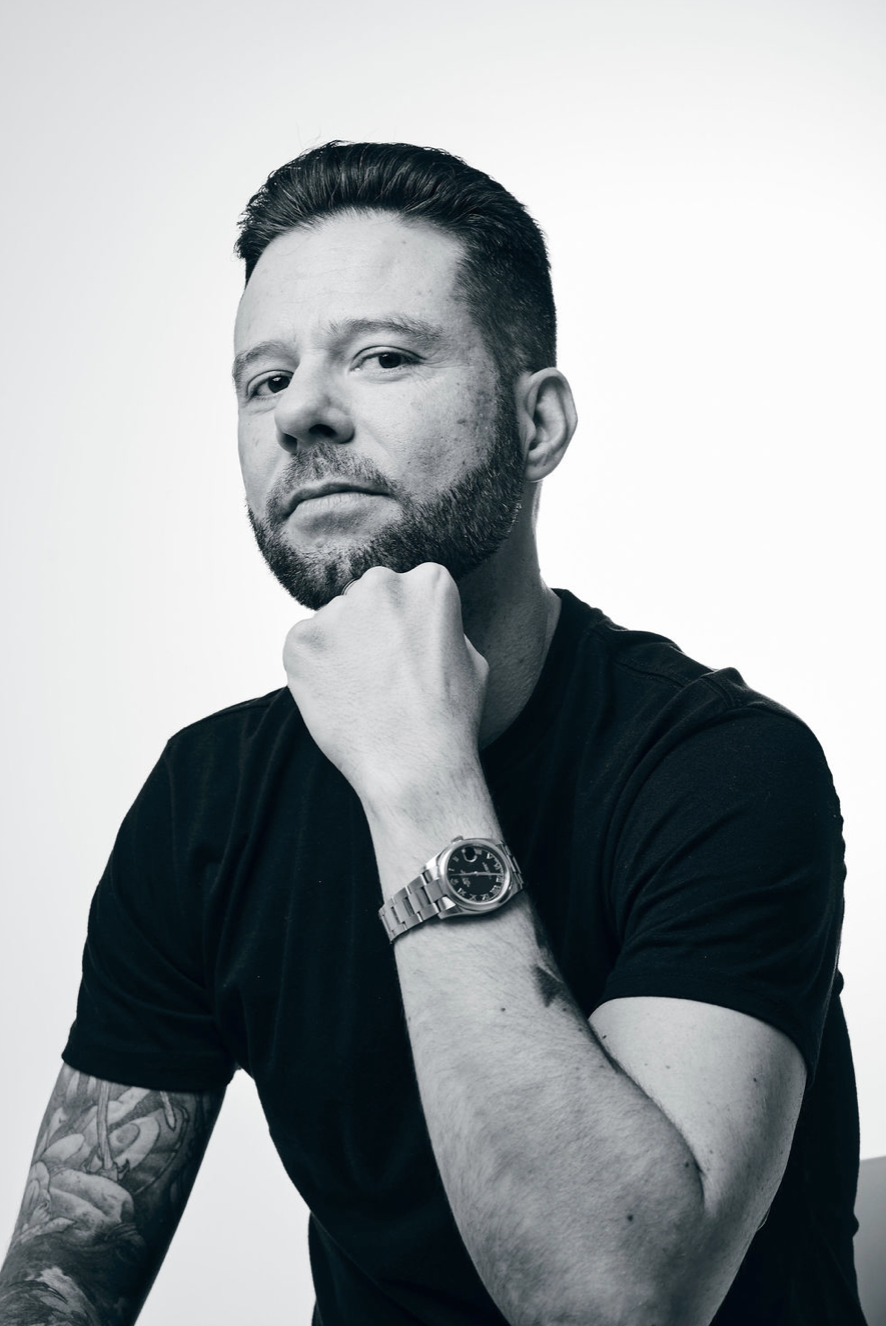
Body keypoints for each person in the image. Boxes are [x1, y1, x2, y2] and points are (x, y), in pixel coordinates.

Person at [0, 141, 867, 1326]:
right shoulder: (206, 797)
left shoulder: (725, 766)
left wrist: (418, 777)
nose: (301, 409)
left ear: (540, 422)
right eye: (262, 381)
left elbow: (614, 1301)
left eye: (384, 356)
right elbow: (63, 1280)